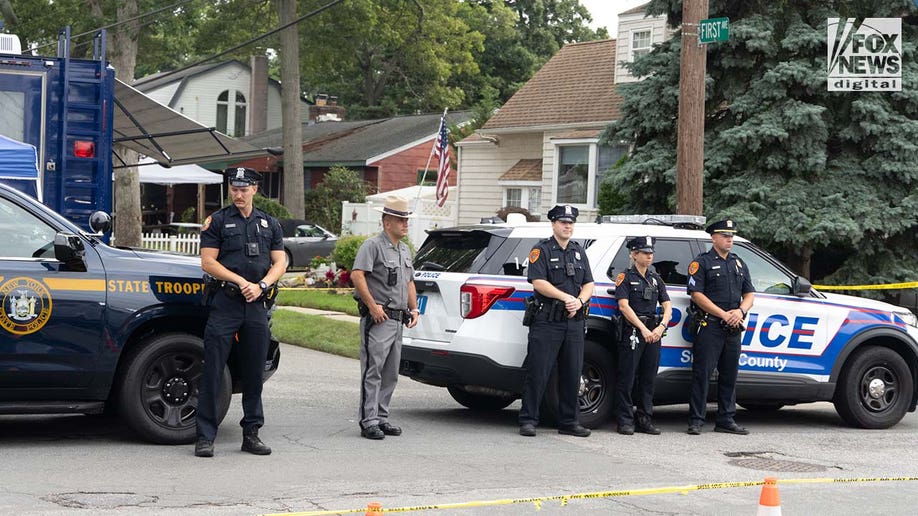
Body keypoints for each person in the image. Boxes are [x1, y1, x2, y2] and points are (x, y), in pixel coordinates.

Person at [194, 167, 286, 457]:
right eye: (234, 188)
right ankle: (205, 436)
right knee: (213, 368)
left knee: (253, 371)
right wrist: (241, 282)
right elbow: (208, 263)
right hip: (226, 302)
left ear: (255, 190)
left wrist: (261, 285)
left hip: (256, 305)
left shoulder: (269, 224)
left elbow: (280, 263)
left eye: (244, 189)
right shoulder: (218, 221)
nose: (238, 194)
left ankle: (252, 433)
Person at [518, 205, 594, 438]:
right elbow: (538, 282)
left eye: (571, 223)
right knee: (538, 372)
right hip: (547, 320)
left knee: (573, 373)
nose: (567, 226)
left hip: (573, 322)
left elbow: (589, 283)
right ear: (553, 224)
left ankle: (569, 422)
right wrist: (566, 298)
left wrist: (579, 302)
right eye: (563, 222)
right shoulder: (540, 250)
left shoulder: (578, 252)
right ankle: (528, 420)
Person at [351, 195, 420, 440]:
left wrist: (414, 309)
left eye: (406, 219)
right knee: (373, 370)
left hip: (398, 319)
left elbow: (409, 281)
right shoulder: (372, 246)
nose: (405, 224)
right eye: (400, 219)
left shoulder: (404, 250)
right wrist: (372, 306)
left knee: (390, 372)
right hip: (379, 319)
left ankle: (381, 417)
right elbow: (357, 275)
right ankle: (368, 420)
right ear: (386, 222)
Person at [686, 219, 755, 436]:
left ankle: (726, 419)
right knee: (702, 374)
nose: (729, 239)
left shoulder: (738, 263)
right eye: (725, 235)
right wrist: (723, 314)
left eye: (731, 236)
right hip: (710, 325)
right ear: (713, 238)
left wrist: (740, 311)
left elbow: (749, 294)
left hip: (733, 327)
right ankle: (696, 420)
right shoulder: (702, 262)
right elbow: (696, 294)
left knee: (729, 375)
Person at [613, 236, 672, 436]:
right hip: (633, 332)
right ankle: (625, 420)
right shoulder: (625, 277)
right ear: (634, 255)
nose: (649, 256)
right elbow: (623, 306)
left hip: (653, 333)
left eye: (651, 253)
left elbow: (667, 305)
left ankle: (645, 418)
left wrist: (660, 326)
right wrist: (643, 329)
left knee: (648, 378)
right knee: (627, 377)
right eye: (645, 253)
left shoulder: (656, 279)